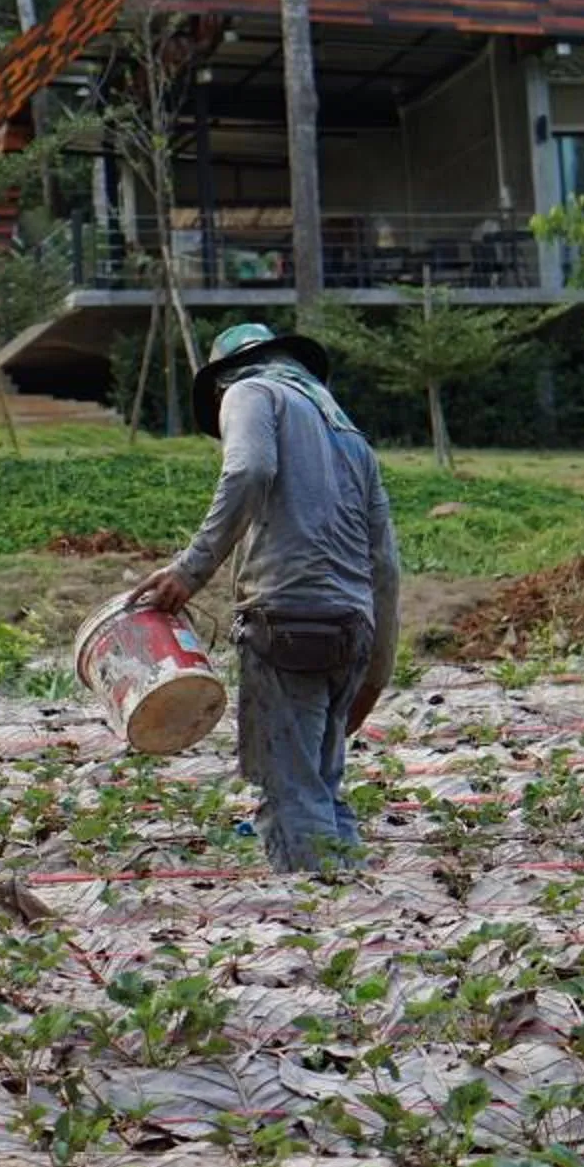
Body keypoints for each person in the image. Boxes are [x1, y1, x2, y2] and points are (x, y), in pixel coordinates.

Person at [136, 323, 400, 872]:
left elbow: (250, 468)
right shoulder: (352, 436)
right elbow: (386, 566)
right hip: (351, 629)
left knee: (291, 793)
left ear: (219, 385)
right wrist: (375, 674)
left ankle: (322, 924)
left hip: (286, 622)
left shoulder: (248, 391)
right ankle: (359, 914)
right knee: (322, 786)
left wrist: (190, 570)